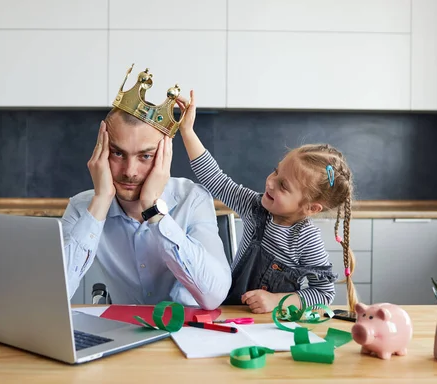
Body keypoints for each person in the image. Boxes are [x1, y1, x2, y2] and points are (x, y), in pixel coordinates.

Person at [60, 66, 231, 310]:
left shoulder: (192, 199)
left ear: (165, 154)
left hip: (189, 334)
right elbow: (54, 296)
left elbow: (213, 296)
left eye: (145, 156)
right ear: (102, 150)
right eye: (118, 153)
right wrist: (101, 200)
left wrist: (153, 210)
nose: (129, 171)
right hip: (122, 335)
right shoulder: (82, 207)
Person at [176, 90, 359, 314]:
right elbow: (215, 179)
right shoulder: (254, 207)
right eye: (275, 172)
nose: (271, 183)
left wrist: (277, 301)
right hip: (228, 313)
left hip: (271, 325)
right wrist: (186, 131)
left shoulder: (305, 238)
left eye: (283, 186)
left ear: (310, 207)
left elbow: (323, 293)